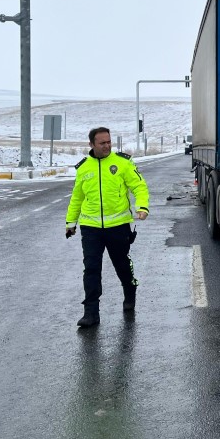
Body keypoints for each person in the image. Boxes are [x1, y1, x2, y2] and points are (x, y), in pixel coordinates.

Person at [65, 127, 149, 328]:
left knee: (121, 264)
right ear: (92, 145)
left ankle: (130, 291)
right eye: (102, 143)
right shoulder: (83, 167)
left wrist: (142, 207)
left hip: (118, 226)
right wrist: (71, 223)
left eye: (109, 142)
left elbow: (139, 186)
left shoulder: (122, 163)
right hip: (90, 228)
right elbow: (77, 197)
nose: (107, 146)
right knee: (91, 269)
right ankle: (91, 313)